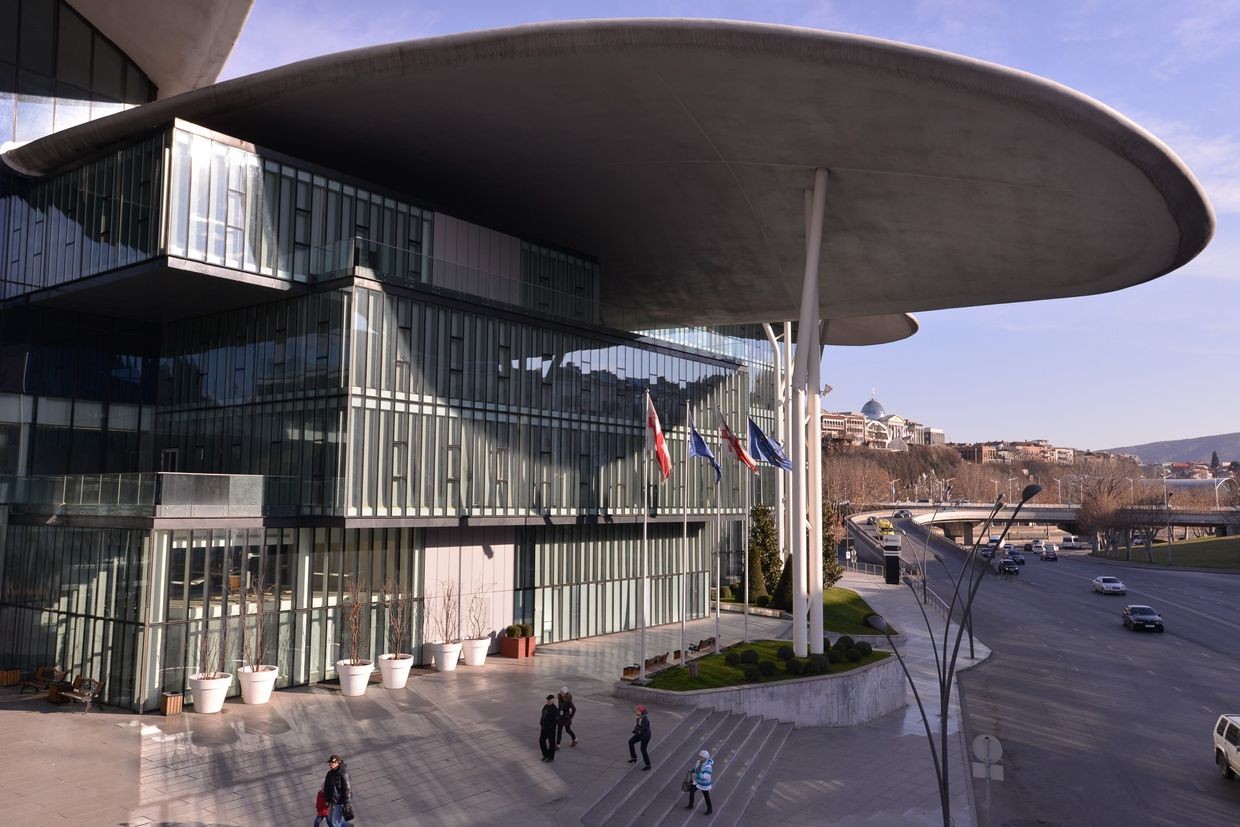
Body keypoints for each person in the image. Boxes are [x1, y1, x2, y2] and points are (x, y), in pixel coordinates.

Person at [322, 754, 352, 826]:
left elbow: (347, 789)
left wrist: (347, 803)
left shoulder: (344, 772)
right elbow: (326, 787)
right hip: (332, 800)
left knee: (335, 821)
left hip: (340, 801)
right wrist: (326, 799)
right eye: (329, 763)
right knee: (329, 819)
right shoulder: (330, 773)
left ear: (337, 763)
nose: (329, 765)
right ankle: (348, 825)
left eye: (331, 763)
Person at [685, 749, 714, 815]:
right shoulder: (699, 762)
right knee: (692, 790)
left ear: (706, 758)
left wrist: (697, 775)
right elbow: (697, 769)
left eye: (702, 757)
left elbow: (706, 776)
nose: (700, 758)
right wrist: (692, 770)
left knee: (706, 796)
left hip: (704, 784)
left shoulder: (708, 766)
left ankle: (710, 809)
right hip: (697, 781)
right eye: (700, 756)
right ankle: (690, 805)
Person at [627, 703, 651, 770]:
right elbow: (638, 725)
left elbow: (644, 728)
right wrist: (635, 730)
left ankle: (648, 765)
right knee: (630, 742)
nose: (636, 711)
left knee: (643, 750)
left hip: (645, 736)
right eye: (636, 710)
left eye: (637, 710)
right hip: (640, 734)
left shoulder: (645, 719)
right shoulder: (638, 716)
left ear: (640, 711)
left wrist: (638, 731)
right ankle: (633, 758)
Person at [539, 694, 560, 761]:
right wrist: (541, 723)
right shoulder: (545, 707)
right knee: (541, 741)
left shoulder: (555, 709)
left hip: (551, 730)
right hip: (544, 728)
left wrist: (551, 726)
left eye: (549, 700)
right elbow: (543, 715)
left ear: (553, 700)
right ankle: (545, 755)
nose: (548, 701)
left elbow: (557, 720)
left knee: (551, 744)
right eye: (547, 700)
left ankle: (551, 757)